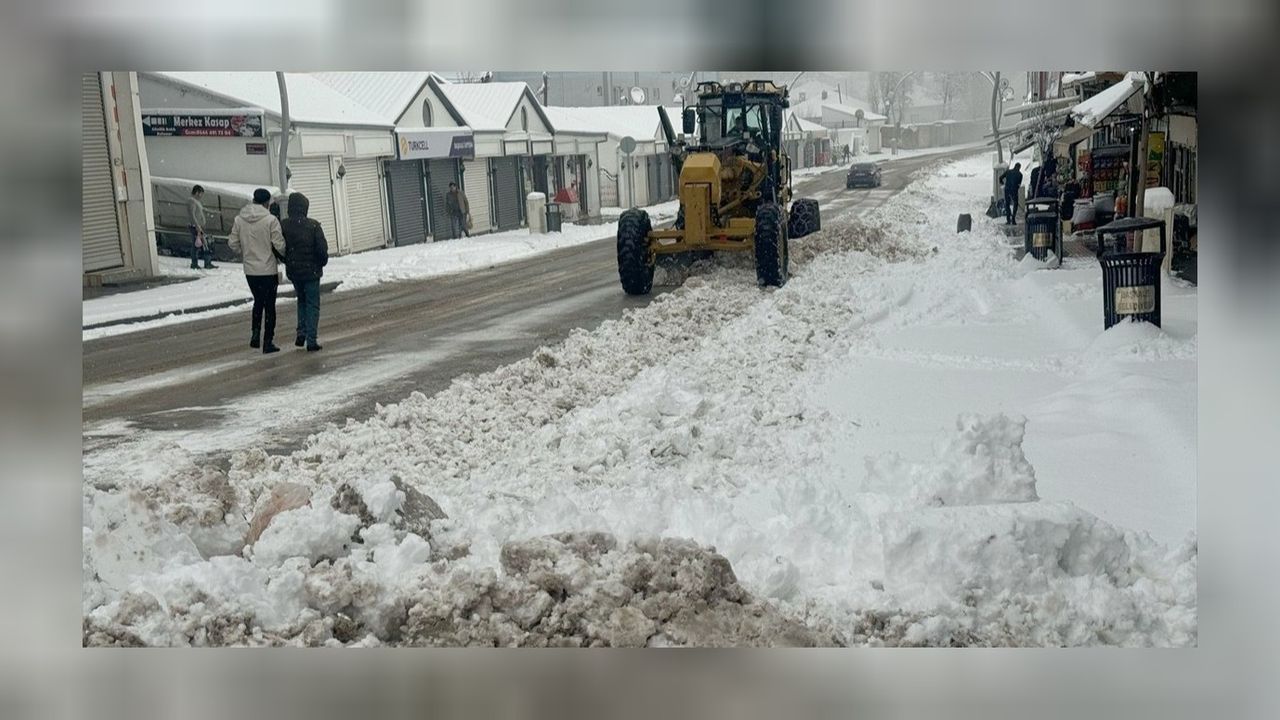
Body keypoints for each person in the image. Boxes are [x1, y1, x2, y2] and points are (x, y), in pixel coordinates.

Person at [228, 188, 286, 353]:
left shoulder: (240, 219)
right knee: (270, 306)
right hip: (268, 269)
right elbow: (279, 245)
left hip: (250, 270)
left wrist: (245, 251)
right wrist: (282, 255)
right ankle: (268, 341)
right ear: (267, 202)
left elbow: (232, 243)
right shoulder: (271, 220)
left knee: (258, 301)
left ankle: (255, 334)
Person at [281, 192, 329, 352]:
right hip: (312, 272)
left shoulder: (284, 226)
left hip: (295, 271)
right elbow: (322, 249)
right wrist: (321, 262)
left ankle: (301, 332)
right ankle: (311, 340)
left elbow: (278, 247)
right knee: (312, 304)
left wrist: (286, 260)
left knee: (301, 301)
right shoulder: (313, 226)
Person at [188, 184, 216, 269]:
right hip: (195, 227)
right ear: (197, 192)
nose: (201, 196)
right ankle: (195, 263)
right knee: (197, 245)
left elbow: (202, 210)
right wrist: (197, 226)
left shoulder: (196, 201)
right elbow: (192, 215)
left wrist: (214, 212)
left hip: (199, 226)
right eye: (201, 194)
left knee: (203, 244)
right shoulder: (191, 201)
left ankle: (207, 262)